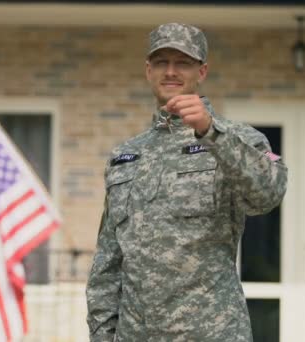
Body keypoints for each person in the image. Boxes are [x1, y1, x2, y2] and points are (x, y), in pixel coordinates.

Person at [85, 23, 288, 341]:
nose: (171, 71)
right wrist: (101, 333)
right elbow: (109, 258)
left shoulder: (238, 139)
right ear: (148, 71)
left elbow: (267, 194)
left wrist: (211, 133)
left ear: (202, 71)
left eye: (183, 62)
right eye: (162, 62)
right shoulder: (126, 155)